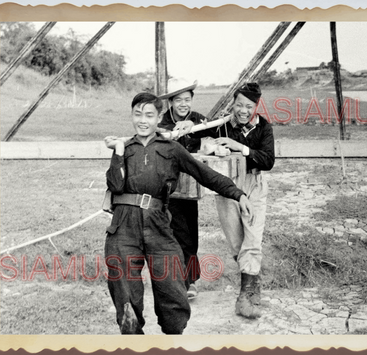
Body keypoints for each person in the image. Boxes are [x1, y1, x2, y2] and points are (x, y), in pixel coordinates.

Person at [103, 91, 254, 335]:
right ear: (131, 116)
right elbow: (115, 186)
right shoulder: (126, 148)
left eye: (149, 115)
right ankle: (132, 336)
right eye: (137, 114)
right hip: (123, 227)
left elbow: (206, 175)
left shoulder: (171, 149)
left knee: (174, 296)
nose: (143, 120)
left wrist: (238, 194)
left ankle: (172, 337)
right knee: (126, 297)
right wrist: (119, 150)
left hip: (159, 226)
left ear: (159, 117)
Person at [213, 82, 275, 319]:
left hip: (254, 185)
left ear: (256, 107)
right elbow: (197, 131)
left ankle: (243, 299)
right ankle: (253, 288)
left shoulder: (264, 127)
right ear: (233, 104)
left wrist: (240, 148)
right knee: (236, 243)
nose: (243, 110)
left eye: (248, 106)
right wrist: (191, 124)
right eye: (239, 104)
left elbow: (268, 160)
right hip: (227, 186)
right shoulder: (221, 126)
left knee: (253, 240)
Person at [157, 78, 211, 299]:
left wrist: (193, 127)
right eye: (178, 100)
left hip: (191, 187)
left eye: (187, 100)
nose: (183, 104)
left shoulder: (197, 118)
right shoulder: (163, 122)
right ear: (171, 102)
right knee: (173, 233)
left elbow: (213, 127)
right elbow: (160, 135)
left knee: (190, 232)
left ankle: (189, 280)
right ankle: (181, 282)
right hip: (167, 186)